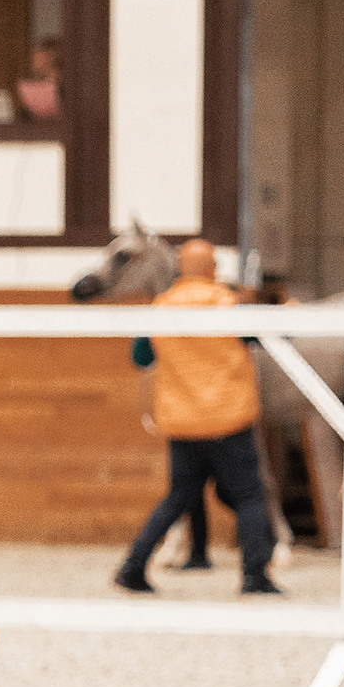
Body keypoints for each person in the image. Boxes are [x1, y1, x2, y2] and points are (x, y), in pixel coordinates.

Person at [113, 239, 283, 597]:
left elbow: (141, 356)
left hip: (182, 421)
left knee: (178, 497)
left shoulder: (160, 308)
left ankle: (133, 565)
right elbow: (263, 339)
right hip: (228, 418)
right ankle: (255, 574)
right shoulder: (229, 305)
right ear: (212, 269)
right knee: (250, 495)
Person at [16, 39, 62, 121]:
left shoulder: (65, 87)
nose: (33, 60)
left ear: (51, 57)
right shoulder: (28, 87)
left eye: (38, 56)